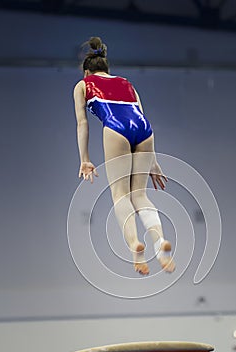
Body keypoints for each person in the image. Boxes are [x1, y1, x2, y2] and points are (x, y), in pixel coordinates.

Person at [73, 36, 175, 275]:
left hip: (116, 129)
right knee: (139, 195)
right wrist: (154, 162)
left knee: (120, 195)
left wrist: (85, 159)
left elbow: (82, 124)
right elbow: (141, 114)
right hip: (145, 131)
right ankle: (160, 244)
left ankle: (134, 247)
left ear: (87, 72)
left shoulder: (83, 85)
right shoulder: (127, 83)